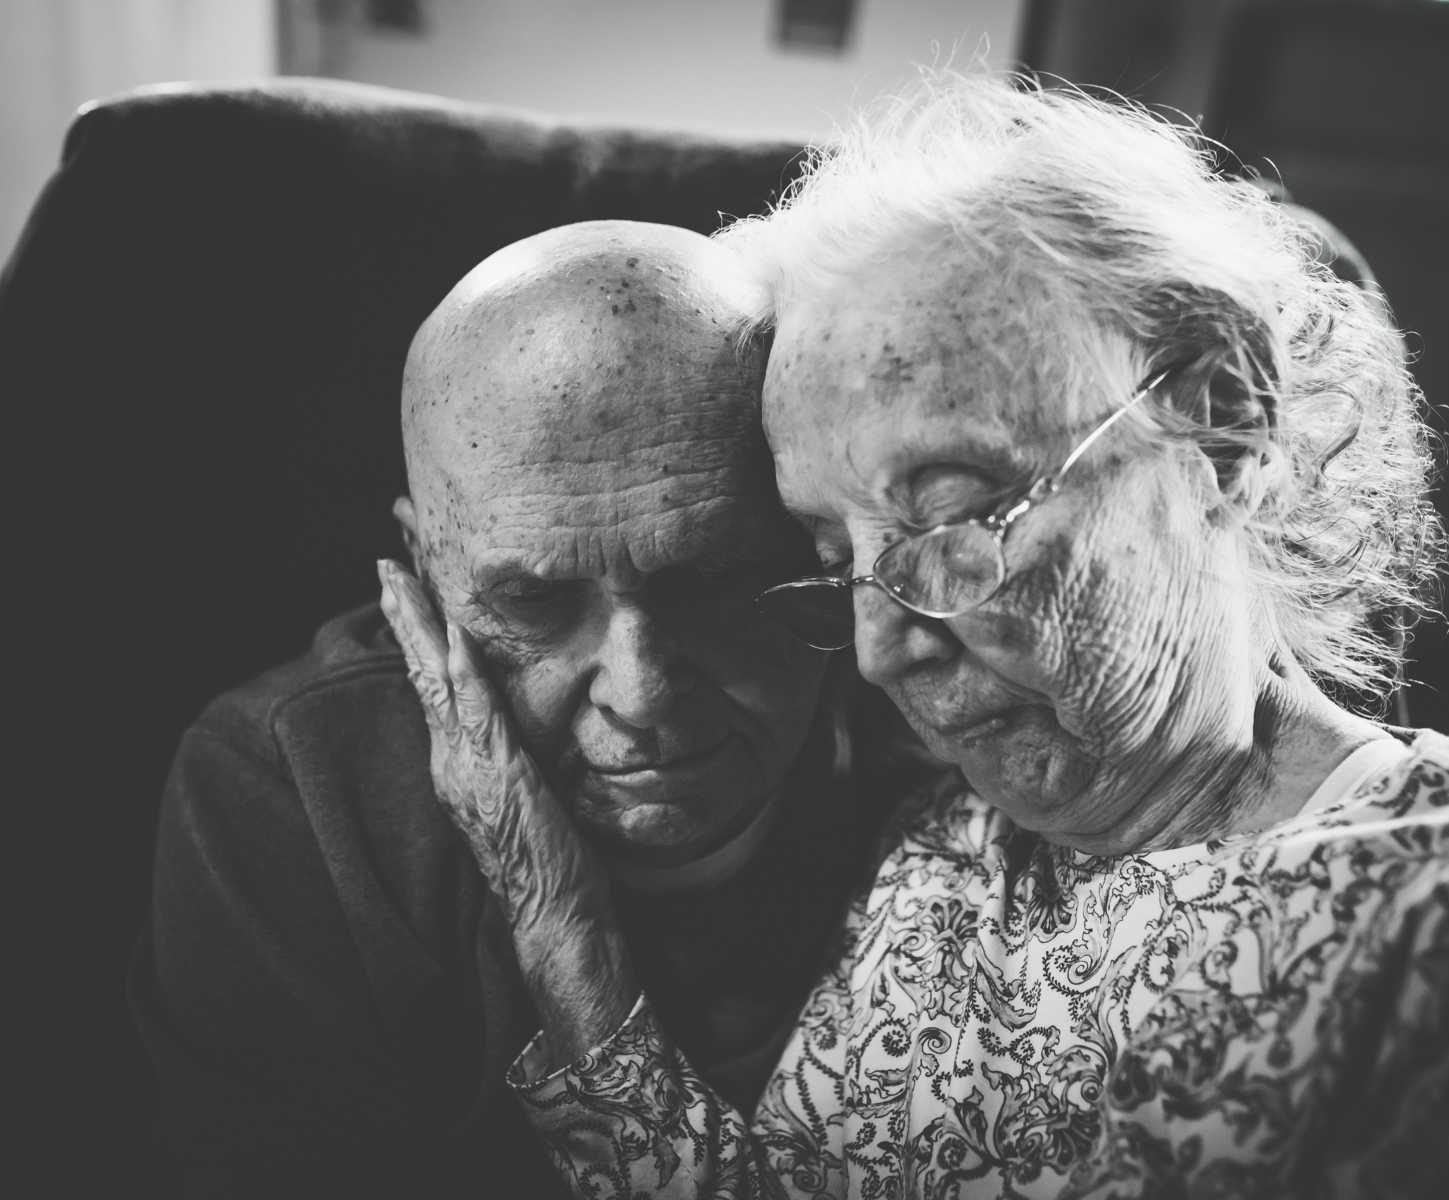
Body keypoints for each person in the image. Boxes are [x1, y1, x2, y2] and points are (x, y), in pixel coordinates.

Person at [393, 78, 1449, 1197]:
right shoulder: (928, 800)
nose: (880, 648)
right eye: (829, 560)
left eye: (954, 511)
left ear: (1221, 421)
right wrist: (559, 924)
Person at [130, 220, 895, 1196]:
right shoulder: (287, 788)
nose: (641, 693)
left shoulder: (946, 726)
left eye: (712, 580)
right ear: (423, 566)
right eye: (533, 602)